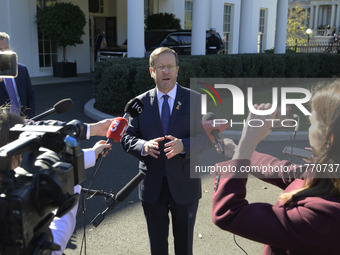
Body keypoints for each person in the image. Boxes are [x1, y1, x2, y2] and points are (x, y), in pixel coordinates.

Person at [212, 81, 340, 254]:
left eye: (311, 123)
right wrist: (238, 151)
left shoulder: (323, 216)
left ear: (329, 139)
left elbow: (230, 212)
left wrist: (247, 141)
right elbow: (285, 172)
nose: (308, 127)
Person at [121, 47, 210, 255]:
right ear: (151, 71)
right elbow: (125, 138)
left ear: (177, 70)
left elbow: (207, 137)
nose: (165, 71)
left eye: (170, 66)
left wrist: (184, 145)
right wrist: (142, 146)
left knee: (184, 248)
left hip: (185, 186)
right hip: (152, 187)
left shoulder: (195, 100)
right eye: (160, 67)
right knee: (157, 248)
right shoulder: (138, 104)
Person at [0, 107, 112, 255]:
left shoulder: (10, 176)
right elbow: (55, 243)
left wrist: (92, 139)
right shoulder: (12, 199)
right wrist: (70, 184)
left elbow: (44, 163)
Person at [0, 32, 36, 118]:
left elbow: (30, 96)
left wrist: (30, 117)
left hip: (23, 121)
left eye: (6, 48)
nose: (3, 52)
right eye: (0, 50)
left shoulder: (22, 69)